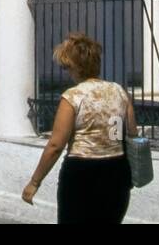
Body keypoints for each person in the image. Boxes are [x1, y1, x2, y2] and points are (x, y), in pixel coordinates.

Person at [22, 31, 136, 224]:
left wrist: (34, 182)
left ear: (75, 67)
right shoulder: (119, 91)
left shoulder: (73, 96)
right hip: (117, 171)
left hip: (82, 174)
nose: (66, 72)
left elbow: (56, 145)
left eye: (66, 67)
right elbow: (132, 134)